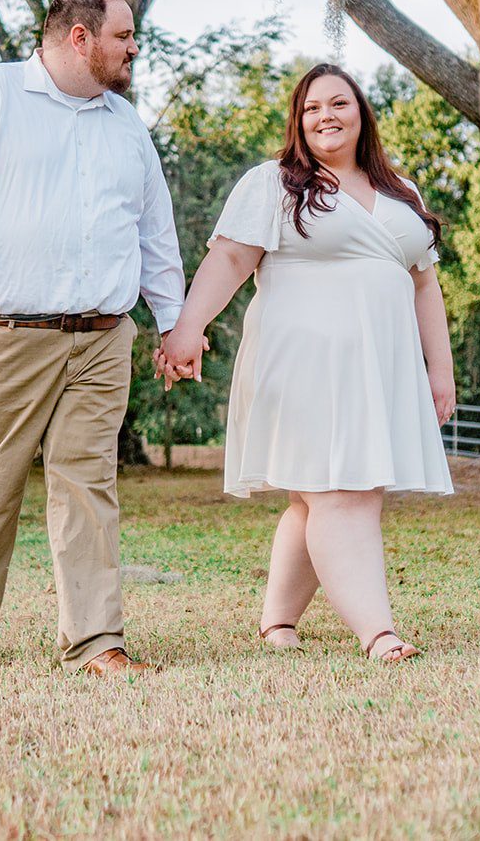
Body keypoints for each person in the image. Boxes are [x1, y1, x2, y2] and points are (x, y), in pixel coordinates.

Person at [0, 0, 184, 677]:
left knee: (89, 485)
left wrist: (173, 322)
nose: (132, 48)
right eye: (123, 36)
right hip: (3, 334)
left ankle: (97, 642)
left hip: (102, 338)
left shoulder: (126, 125)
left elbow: (155, 231)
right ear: (79, 37)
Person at [158, 64, 455, 661]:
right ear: (298, 120)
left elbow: (426, 286)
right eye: (312, 107)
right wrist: (187, 330)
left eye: (339, 103)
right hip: (302, 364)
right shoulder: (275, 183)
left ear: (361, 113)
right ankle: (379, 633)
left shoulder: (402, 192)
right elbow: (231, 261)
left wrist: (439, 372)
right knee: (344, 493)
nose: (326, 115)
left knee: (314, 496)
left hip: (380, 368)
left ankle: (277, 620)